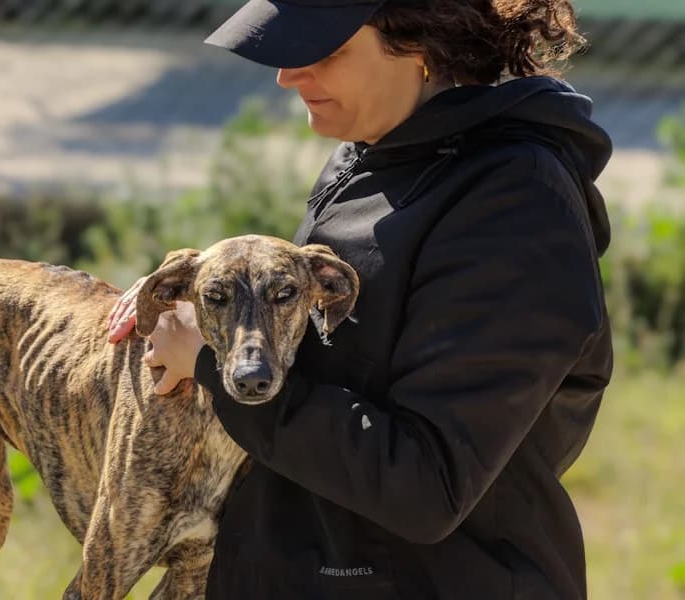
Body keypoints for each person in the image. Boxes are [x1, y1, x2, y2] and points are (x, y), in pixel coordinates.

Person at [107, 0, 613, 598]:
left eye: (325, 51)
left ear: (420, 42)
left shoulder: (514, 203)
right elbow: (343, 355)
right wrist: (212, 291)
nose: (287, 76)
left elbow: (427, 486)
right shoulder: (378, 149)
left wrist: (215, 367)